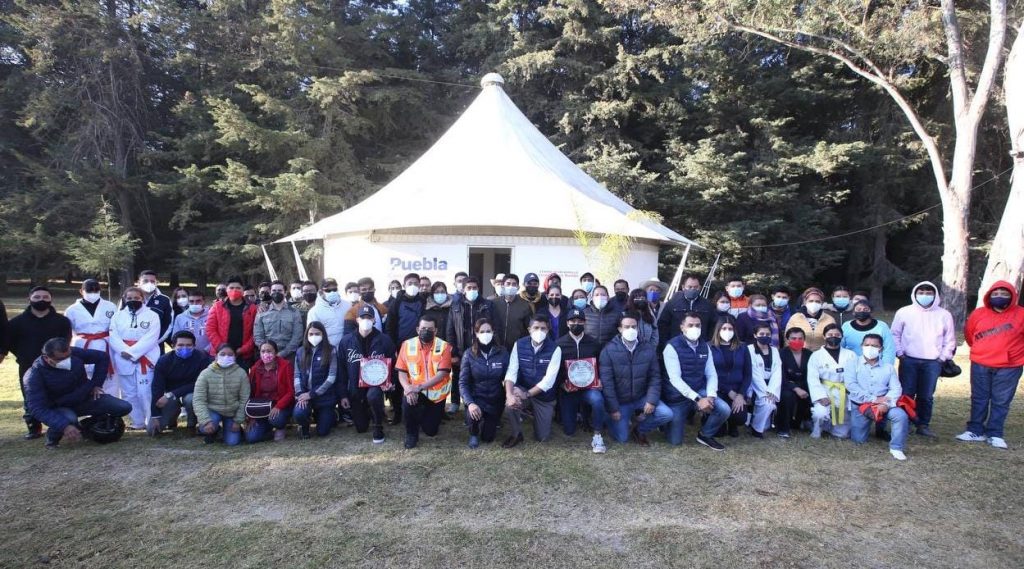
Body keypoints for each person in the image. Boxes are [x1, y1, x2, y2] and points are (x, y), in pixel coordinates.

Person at [24, 338, 130, 449]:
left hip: (84, 398)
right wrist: (64, 426)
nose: (67, 360)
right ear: (47, 358)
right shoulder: (33, 376)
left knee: (123, 407)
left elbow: (102, 357)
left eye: (69, 356)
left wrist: (96, 384)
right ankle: (53, 438)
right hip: (59, 406)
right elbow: (36, 408)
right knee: (69, 419)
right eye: (61, 359)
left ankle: (85, 427)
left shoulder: (73, 353)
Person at [957, 281, 1024, 449]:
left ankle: (995, 433)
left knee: (1001, 401)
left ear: (1012, 295)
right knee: (979, 398)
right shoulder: (978, 313)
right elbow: (969, 334)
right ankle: (975, 430)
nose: (999, 297)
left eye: (1004, 294)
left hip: (1010, 366)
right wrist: (982, 350)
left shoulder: (1021, 314)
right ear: (989, 296)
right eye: (995, 294)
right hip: (981, 363)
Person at [2, 286, 72, 438]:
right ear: (29, 299)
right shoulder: (16, 323)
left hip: (56, 365)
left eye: (45, 297)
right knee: (30, 397)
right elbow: (10, 343)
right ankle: (33, 427)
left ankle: (60, 424)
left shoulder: (62, 321)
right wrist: (23, 355)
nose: (41, 300)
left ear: (51, 299)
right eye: (37, 297)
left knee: (57, 395)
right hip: (28, 366)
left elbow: (65, 341)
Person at [891, 281, 955, 437]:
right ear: (914, 294)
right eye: (921, 292)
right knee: (906, 393)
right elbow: (895, 334)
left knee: (926, 396)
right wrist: (900, 354)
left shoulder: (944, 315)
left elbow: (950, 340)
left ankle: (923, 424)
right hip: (908, 360)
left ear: (935, 295)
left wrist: (942, 358)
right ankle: (905, 423)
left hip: (933, 362)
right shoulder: (904, 312)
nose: (925, 296)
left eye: (928, 293)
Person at [662, 313, 730, 450]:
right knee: (675, 441)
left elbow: (711, 373)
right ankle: (665, 423)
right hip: (677, 396)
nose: (695, 328)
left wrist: (711, 395)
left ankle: (705, 434)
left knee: (724, 409)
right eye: (690, 325)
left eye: (697, 325)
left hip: (699, 390)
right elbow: (675, 379)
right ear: (682, 327)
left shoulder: (704, 346)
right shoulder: (671, 347)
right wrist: (698, 399)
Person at [337, 305, 396, 444]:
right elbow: (341, 370)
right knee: (361, 428)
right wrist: (343, 395)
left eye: (369, 318)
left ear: (374, 320)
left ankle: (377, 425)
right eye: (363, 317)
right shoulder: (346, 341)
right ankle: (369, 411)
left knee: (373, 395)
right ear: (357, 320)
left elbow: (394, 365)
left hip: (376, 385)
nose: (366, 320)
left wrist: (390, 382)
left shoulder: (385, 340)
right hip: (356, 387)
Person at [848, 333, 910, 460]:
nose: (870, 348)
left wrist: (885, 404)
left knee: (900, 416)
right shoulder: (852, 364)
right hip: (861, 405)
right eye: (867, 345)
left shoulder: (888, 368)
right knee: (858, 440)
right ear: (861, 346)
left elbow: (896, 388)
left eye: (874, 345)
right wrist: (874, 400)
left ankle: (896, 447)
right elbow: (851, 386)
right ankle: (877, 424)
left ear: (881, 348)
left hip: (884, 403)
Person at [502, 314, 561, 448]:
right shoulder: (519, 344)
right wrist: (510, 395)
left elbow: (548, 381)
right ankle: (516, 434)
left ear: (548, 330)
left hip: (544, 397)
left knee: (543, 437)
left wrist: (527, 394)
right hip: (522, 389)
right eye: (536, 328)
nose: (539, 331)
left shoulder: (555, 349)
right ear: (529, 329)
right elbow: (511, 372)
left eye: (543, 328)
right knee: (510, 404)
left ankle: (531, 412)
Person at [395, 315, 453, 449]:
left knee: (431, 431)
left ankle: (425, 415)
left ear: (436, 331)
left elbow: (442, 374)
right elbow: (401, 371)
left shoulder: (444, 346)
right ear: (417, 329)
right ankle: (411, 434)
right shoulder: (407, 345)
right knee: (407, 401)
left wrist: (419, 388)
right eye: (423, 328)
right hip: (415, 392)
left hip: (436, 397)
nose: (426, 331)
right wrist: (408, 388)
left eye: (430, 329)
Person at [109, 286, 162, 430]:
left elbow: (152, 337)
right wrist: (125, 351)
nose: (133, 300)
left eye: (137, 298)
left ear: (143, 299)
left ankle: (150, 420)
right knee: (128, 393)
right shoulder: (117, 316)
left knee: (145, 392)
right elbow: (113, 336)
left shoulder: (152, 315)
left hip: (146, 355)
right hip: (123, 356)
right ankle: (137, 421)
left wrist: (134, 352)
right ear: (124, 299)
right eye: (129, 298)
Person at [556, 308, 605, 451]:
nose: (576, 323)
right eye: (572, 321)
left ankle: (597, 434)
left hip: (589, 387)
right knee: (569, 431)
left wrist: (600, 379)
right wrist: (561, 383)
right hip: (569, 389)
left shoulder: (594, 343)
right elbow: (555, 369)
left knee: (597, 400)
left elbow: (601, 364)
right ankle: (578, 416)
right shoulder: (559, 344)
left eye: (579, 321)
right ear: (567, 323)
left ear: (585, 322)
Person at [458, 318, 509, 448]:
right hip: (477, 398)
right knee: (473, 416)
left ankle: (493, 420)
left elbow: (509, 377)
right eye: (482, 331)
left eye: (488, 331)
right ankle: (473, 432)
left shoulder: (502, 352)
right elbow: (463, 383)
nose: (485, 334)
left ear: (493, 332)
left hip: (495, 399)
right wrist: (470, 403)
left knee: (488, 438)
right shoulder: (468, 354)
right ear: (476, 333)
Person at [446, 277, 494, 415]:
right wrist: (453, 352)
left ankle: (475, 404)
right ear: (464, 289)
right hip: (461, 349)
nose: (472, 290)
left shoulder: (487, 305)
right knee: (458, 376)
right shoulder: (455, 305)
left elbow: (493, 325)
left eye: (475, 288)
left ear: (478, 289)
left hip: (480, 347)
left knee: (477, 377)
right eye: (469, 288)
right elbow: (450, 330)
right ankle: (455, 402)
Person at [149, 331, 211, 435]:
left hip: (192, 392)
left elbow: (200, 383)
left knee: (190, 399)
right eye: (180, 345)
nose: (185, 348)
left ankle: (192, 424)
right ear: (173, 346)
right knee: (152, 431)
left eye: (188, 345)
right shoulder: (163, 361)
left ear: (194, 346)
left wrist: (172, 394)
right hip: (171, 396)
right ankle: (172, 420)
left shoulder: (202, 358)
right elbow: (156, 388)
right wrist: (155, 415)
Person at [385, 273, 426, 424]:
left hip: (418, 348)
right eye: (410, 283)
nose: (413, 285)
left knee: (418, 378)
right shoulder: (397, 302)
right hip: (399, 348)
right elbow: (390, 326)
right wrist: (394, 347)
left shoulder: (422, 301)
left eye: (416, 283)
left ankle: (418, 409)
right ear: (404, 285)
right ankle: (397, 412)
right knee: (398, 380)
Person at [65, 279, 118, 394]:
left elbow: (116, 328)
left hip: (106, 344)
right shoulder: (72, 310)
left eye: (96, 290)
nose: (93, 292)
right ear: (81, 291)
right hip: (83, 344)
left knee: (110, 378)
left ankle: (111, 408)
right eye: (89, 290)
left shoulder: (110, 306)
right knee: (84, 376)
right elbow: (67, 331)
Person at [807, 323, 858, 439]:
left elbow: (856, 375)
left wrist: (851, 390)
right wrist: (820, 396)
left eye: (837, 334)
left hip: (845, 390)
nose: (833, 337)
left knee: (842, 433)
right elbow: (812, 378)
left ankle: (836, 430)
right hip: (825, 389)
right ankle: (817, 429)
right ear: (824, 337)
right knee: (820, 413)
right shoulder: (816, 356)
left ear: (841, 337)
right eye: (830, 334)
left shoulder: (850, 355)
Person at [193, 343, 250, 445]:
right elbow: (198, 399)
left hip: (232, 412)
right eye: (222, 354)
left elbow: (244, 399)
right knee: (205, 427)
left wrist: (238, 421)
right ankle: (215, 430)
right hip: (213, 410)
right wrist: (206, 421)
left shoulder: (241, 373)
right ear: (216, 356)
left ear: (235, 357)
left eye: (230, 354)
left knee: (232, 442)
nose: (226, 357)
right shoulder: (205, 373)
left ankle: (230, 430)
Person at [292, 321, 339, 438]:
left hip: (324, 397)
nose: (314, 337)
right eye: (311, 334)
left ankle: (330, 414)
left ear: (323, 334)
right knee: (299, 413)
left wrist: (312, 394)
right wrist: (300, 394)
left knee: (323, 432)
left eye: (317, 334)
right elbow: (297, 375)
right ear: (306, 335)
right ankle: (304, 427)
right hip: (305, 395)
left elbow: (331, 377)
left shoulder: (331, 350)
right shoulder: (300, 351)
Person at [709, 316, 751, 438]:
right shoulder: (709, 347)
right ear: (718, 330)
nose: (727, 331)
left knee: (740, 418)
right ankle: (717, 422)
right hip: (718, 390)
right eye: (724, 328)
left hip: (737, 391)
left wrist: (741, 395)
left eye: (730, 328)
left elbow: (748, 374)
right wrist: (728, 391)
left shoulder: (743, 347)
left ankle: (733, 424)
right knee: (718, 434)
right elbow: (709, 374)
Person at [246, 340, 295, 443]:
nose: (266, 354)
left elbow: (291, 391)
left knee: (275, 419)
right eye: (263, 351)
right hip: (261, 407)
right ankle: (268, 430)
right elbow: (251, 393)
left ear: (276, 353)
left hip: (279, 405)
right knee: (251, 438)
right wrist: (252, 417)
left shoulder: (285, 366)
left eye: (269, 351)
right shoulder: (255, 369)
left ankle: (280, 427)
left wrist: (278, 406)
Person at [205, 276, 258, 370]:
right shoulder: (217, 306)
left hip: (243, 356)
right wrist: (222, 348)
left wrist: (243, 349)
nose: (235, 290)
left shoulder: (252, 308)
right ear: (226, 289)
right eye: (231, 288)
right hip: (220, 354)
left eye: (238, 288)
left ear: (242, 290)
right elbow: (210, 329)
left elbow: (256, 333)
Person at [747, 322, 782, 437]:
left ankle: (761, 424)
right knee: (768, 403)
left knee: (770, 403)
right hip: (754, 384)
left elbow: (777, 371)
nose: (765, 336)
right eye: (761, 333)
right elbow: (754, 373)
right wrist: (765, 392)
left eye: (767, 334)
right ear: (755, 335)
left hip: (771, 384)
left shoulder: (775, 350)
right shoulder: (749, 350)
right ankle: (756, 429)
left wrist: (772, 390)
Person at [253, 280, 303, 361]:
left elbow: (297, 337)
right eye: (274, 290)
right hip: (267, 355)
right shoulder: (262, 312)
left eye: (280, 290)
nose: (276, 293)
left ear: (285, 293)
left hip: (289, 356)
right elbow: (258, 335)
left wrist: (283, 353)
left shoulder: (294, 312)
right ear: (270, 292)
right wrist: (267, 351)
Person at [658, 275, 714, 345]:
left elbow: (713, 325)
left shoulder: (707, 304)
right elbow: (663, 324)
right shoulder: (673, 303)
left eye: (695, 287)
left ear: (700, 288)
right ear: (683, 287)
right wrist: (666, 343)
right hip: (677, 344)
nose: (692, 289)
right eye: (690, 287)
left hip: (701, 344)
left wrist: (708, 342)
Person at [777, 327, 812, 437]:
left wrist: (804, 388)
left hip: (805, 384)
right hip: (786, 385)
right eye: (793, 338)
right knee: (787, 396)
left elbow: (813, 375)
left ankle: (806, 421)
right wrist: (795, 388)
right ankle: (783, 428)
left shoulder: (809, 354)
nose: (797, 341)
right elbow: (780, 376)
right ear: (787, 340)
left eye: (800, 338)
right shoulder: (780, 354)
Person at [786, 287, 836, 351]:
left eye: (817, 301)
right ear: (805, 302)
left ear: (822, 303)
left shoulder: (829, 319)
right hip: (800, 354)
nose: (814, 303)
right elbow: (787, 339)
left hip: (821, 356)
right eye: (811, 301)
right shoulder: (795, 318)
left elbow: (833, 339)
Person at [492, 273, 532, 350]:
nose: (511, 286)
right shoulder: (494, 303)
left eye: (514, 284)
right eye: (508, 283)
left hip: (517, 348)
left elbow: (528, 328)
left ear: (518, 287)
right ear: (503, 285)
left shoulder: (525, 305)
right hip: (496, 347)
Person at [306, 278, 350, 347]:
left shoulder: (348, 306)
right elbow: (312, 334)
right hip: (327, 350)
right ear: (321, 292)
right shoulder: (314, 312)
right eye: (328, 290)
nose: (332, 292)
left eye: (334, 290)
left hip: (346, 348)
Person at [137, 270, 173, 348]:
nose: (149, 283)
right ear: (139, 282)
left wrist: (154, 342)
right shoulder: (128, 297)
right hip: (131, 344)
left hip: (155, 345)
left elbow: (168, 325)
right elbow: (119, 319)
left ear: (156, 283)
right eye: (145, 281)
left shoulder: (165, 300)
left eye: (152, 281)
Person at [170, 289, 211, 354]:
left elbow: (217, 335)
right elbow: (175, 337)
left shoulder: (211, 316)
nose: (195, 303)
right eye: (191, 301)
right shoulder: (180, 317)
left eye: (198, 301)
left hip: (208, 355)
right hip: (186, 354)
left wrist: (207, 350)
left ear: (204, 301)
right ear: (188, 302)